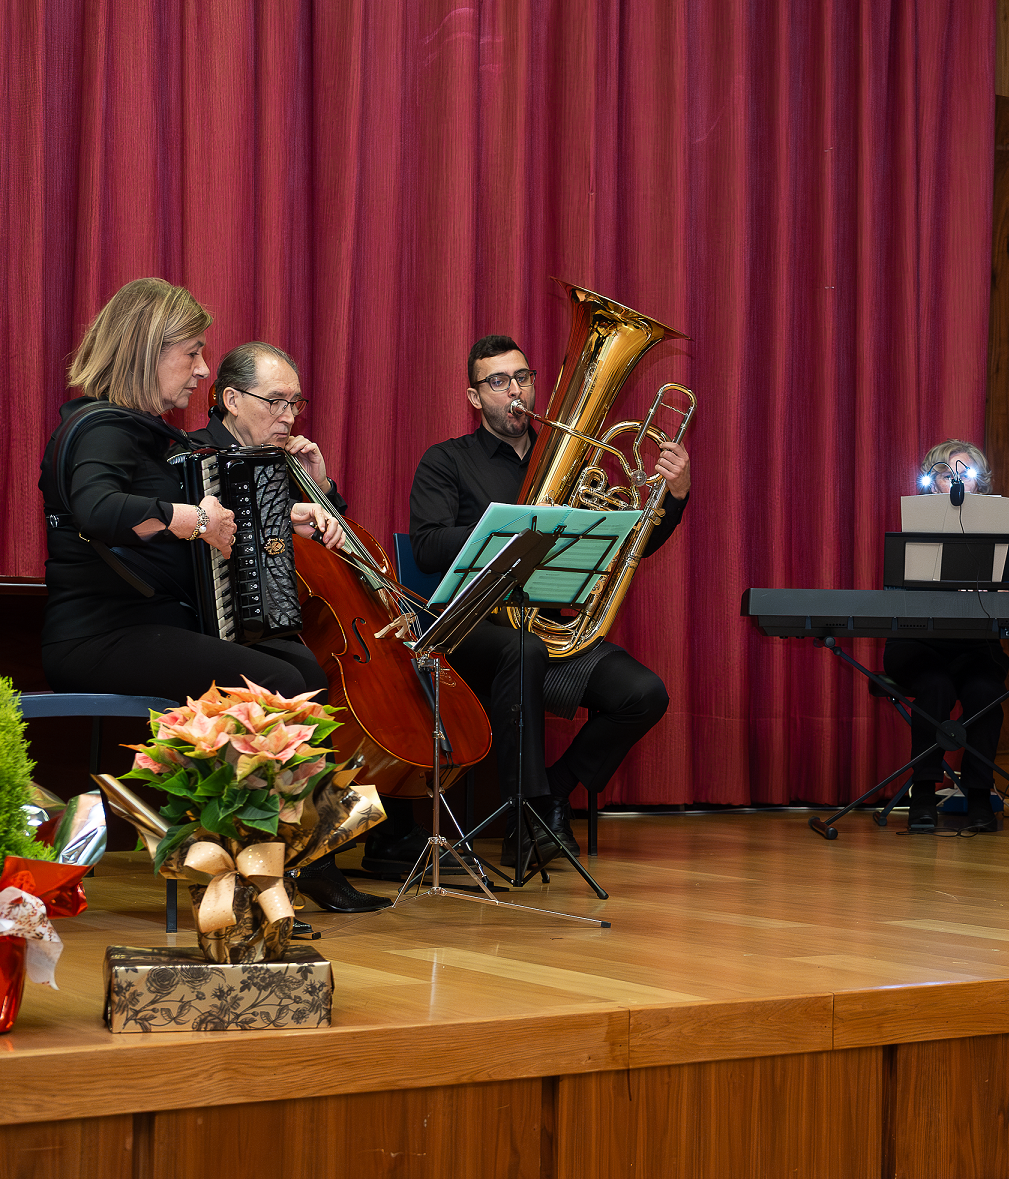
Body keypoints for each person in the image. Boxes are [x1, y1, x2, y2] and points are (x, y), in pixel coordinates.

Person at [36, 279, 364, 914]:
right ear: (148, 350)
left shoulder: (146, 434)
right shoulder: (100, 429)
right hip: (98, 637)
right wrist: (186, 517)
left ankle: (293, 860)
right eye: (191, 353)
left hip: (148, 627)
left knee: (299, 669)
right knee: (275, 681)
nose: (203, 370)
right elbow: (97, 509)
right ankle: (254, 879)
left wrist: (286, 516)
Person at [409, 334, 690, 866]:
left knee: (644, 693)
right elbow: (425, 546)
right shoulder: (447, 461)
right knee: (524, 651)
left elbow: (628, 548)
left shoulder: (572, 459)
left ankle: (554, 793)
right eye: (497, 382)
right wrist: (507, 530)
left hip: (547, 629)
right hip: (472, 630)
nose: (514, 391)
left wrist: (673, 497)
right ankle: (525, 820)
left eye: (522, 377)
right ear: (474, 397)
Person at [186, 342, 393, 912]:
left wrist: (320, 487)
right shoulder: (196, 455)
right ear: (231, 400)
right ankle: (286, 861)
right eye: (275, 402)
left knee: (308, 675)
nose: (288, 417)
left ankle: (310, 856)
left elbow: (340, 552)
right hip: (205, 622)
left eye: (295, 404)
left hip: (270, 624)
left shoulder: (282, 464)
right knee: (297, 677)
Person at [886, 440, 1009, 834]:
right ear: (932, 483)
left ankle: (979, 796)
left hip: (975, 647)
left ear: (979, 483)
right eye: (945, 474)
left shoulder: (999, 533)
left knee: (985, 692)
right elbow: (895, 594)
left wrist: (1001, 593)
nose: (956, 481)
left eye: (965, 473)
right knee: (935, 688)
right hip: (919, 646)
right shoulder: (913, 530)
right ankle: (923, 794)